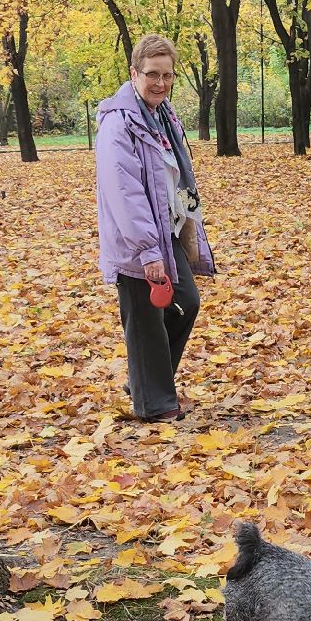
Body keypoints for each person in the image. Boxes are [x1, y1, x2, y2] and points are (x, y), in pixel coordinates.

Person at [94, 34, 215, 421]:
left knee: (186, 303)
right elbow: (125, 193)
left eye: (167, 75)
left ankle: (144, 381)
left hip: (166, 229)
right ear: (134, 73)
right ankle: (154, 404)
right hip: (137, 240)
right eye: (152, 74)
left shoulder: (163, 116)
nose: (160, 83)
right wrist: (148, 251)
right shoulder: (119, 124)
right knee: (146, 319)